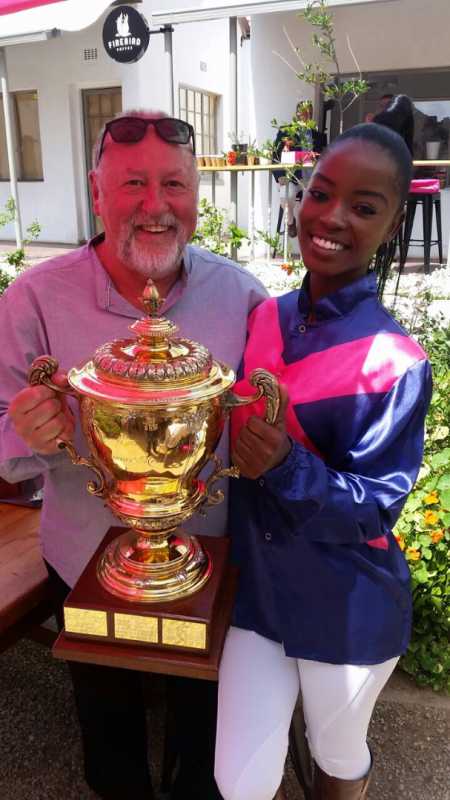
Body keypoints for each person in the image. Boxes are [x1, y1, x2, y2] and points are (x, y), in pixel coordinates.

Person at [0, 110, 268, 800]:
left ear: (197, 194)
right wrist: (27, 432)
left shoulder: (241, 296)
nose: (156, 206)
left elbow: (265, 420)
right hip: (81, 556)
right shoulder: (34, 298)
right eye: (133, 184)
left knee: (202, 729)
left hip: (208, 555)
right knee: (109, 729)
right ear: (97, 192)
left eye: (174, 184)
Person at [214, 123, 432, 800]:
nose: (332, 217)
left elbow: (378, 506)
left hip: (347, 601)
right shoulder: (264, 318)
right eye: (321, 193)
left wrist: (286, 466)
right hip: (259, 592)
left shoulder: (396, 362)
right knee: (238, 780)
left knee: (335, 753)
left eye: (364, 207)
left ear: (391, 226)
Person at [272, 101, 326, 238]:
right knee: (285, 195)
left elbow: (325, 158)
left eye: (309, 113)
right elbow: (275, 155)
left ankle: (309, 233)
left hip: (312, 179)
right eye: (303, 113)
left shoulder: (319, 136)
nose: (306, 116)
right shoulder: (286, 131)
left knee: (318, 202)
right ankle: (291, 222)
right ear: (297, 114)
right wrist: (279, 177)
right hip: (292, 177)